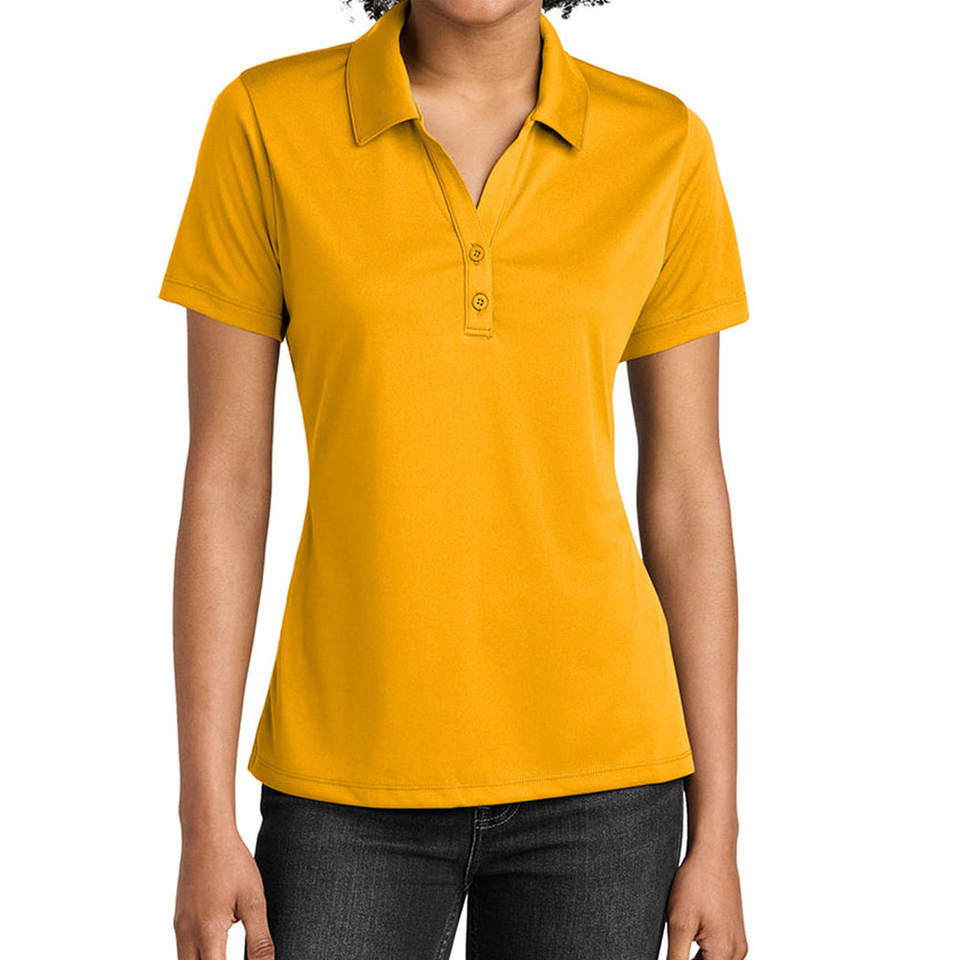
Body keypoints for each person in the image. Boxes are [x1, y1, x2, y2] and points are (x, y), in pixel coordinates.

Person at [159, 0, 750, 957]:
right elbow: (225, 484)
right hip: (345, 786)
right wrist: (203, 817)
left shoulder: (664, 144)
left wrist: (718, 829)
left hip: (607, 789)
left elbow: (686, 494)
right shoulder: (267, 123)